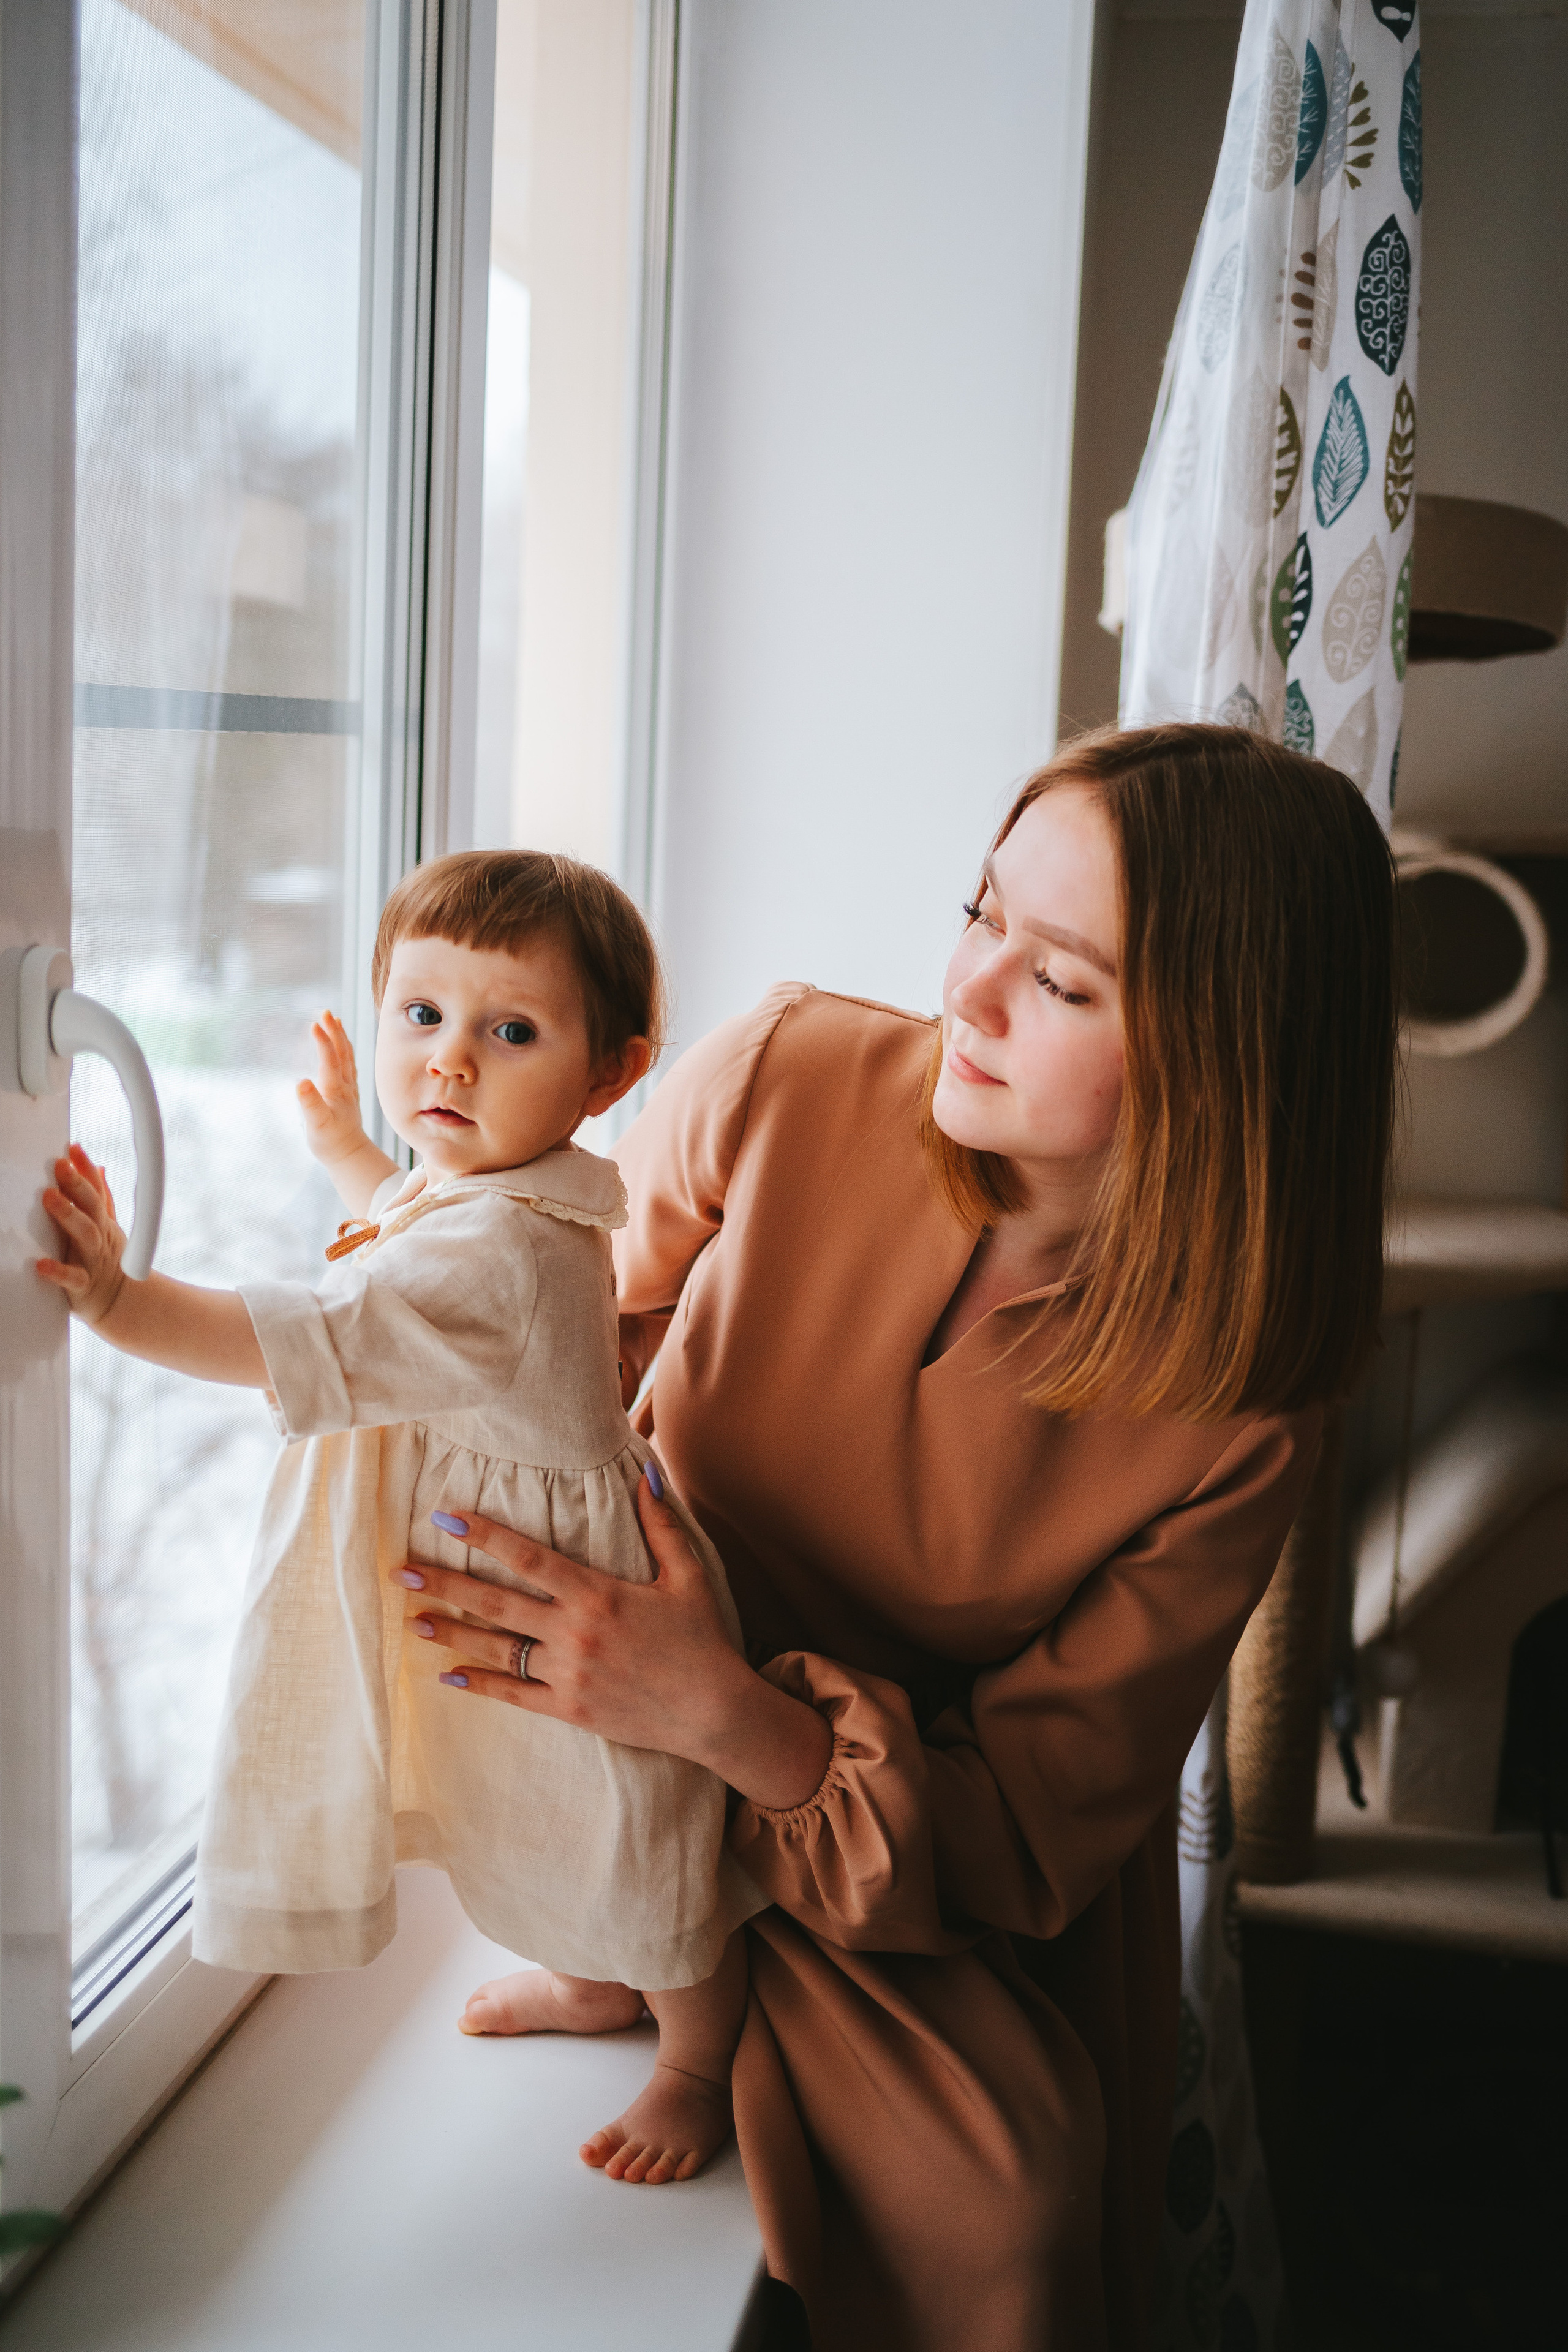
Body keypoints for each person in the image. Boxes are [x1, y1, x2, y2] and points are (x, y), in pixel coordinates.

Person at [401, 725, 1396, 2350]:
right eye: (979, 910)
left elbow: (1028, 1830)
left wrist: (719, 1711)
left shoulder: (1244, 1412)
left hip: (883, 1856)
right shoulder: (785, 1073)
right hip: (605, 1711)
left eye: (1058, 981)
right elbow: (530, 1307)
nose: (970, 991)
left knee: (1012, 2189)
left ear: (1227, 1053)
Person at [36, 850, 767, 2188]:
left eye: (511, 1032)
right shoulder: (508, 1187)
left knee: (631, 1831)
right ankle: (591, 1980)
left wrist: (122, 1303)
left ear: (609, 1075)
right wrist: (347, 1154)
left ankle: (698, 2058)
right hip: (523, 1574)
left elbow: (317, 1328)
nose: (450, 1061)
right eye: (420, 1014)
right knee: (539, 1814)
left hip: (573, 1605)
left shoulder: (502, 1248)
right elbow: (413, 1223)